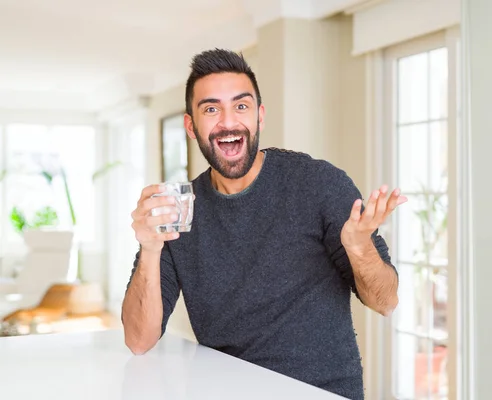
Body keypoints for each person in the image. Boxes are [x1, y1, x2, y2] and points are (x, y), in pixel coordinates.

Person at [122, 48, 407, 400]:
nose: (228, 121)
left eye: (241, 106)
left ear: (259, 116)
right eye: (211, 109)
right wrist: (150, 250)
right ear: (191, 126)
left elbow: (386, 301)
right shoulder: (180, 211)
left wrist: (359, 247)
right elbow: (138, 340)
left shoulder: (319, 184)